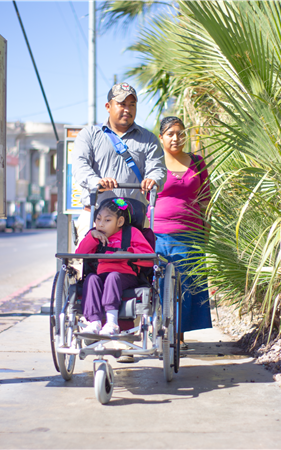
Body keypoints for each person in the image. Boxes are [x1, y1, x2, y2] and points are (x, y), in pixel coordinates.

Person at [147, 116, 212, 349]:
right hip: (159, 235)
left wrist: (206, 233)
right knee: (159, 285)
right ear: (161, 137)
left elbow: (206, 199)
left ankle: (179, 335)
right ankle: (159, 330)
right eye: (171, 133)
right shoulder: (154, 163)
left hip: (191, 235)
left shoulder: (197, 162)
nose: (176, 138)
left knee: (186, 286)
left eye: (180, 133)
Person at [72, 82, 167, 242]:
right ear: (108, 106)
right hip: (95, 218)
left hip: (134, 220)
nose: (127, 110)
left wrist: (153, 180)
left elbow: (157, 169)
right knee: (87, 265)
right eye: (122, 104)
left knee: (138, 266)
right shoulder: (89, 135)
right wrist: (97, 183)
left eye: (132, 105)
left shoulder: (149, 139)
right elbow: (80, 166)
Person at [75, 198, 154, 336]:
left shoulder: (132, 233)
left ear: (120, 222)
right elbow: (79, 254)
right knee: (91, 279)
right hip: (101, 275)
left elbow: (149, 258)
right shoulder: (94, 235)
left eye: (107, 220)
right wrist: (91, 237)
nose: (100, 224)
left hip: (126, 276)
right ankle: (94, 322)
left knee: (113, 276)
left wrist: (129, 253)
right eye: (98, 219)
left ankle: (112, 322)